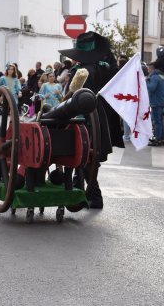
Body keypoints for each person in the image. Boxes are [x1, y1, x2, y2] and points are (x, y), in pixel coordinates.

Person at [59, 31, 123, 209]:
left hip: (82, 115)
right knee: (90, 156)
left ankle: (90, 194)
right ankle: (85, 191)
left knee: (82, 154)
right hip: (100, 116)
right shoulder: (106, 68)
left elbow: (73, 96)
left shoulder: (80, 71)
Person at [147, 60, 164, 146]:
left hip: (155, 102)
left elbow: (151, 88)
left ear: (151, 68)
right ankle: (161, 138)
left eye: (148, 68)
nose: (148, 70)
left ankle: (158, 139)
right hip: (161, 101)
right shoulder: (161, 76)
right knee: (160, 121)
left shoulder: (154, 77)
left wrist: (146, 81)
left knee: (157, 121)